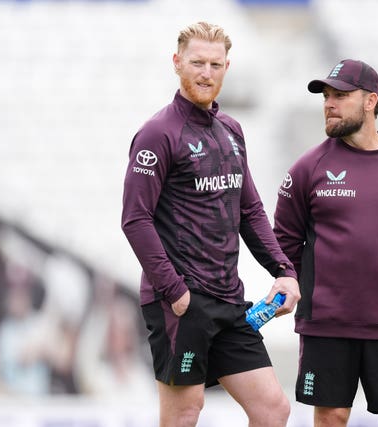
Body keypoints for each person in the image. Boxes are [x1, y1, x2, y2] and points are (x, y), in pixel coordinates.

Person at [121, 22, 300, 427]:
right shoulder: (157, 134)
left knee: (272, 409)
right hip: (180, 303)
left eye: (215, 64)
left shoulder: (231, 131)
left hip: (229, 301)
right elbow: (135, 219)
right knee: (185, 413)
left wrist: (284, 271)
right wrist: (175, 291)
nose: (206, 73)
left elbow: (250, 210)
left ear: (226, 67)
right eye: (197, 63)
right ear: (177, 63)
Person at [273, 59, 378, 427]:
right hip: (326, 324)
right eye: (326, 96)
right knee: (331, 417)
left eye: (341, 96)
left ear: (370, 101)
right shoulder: (308, 167)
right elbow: (283, 242)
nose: (329, 104)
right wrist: (322, 287)